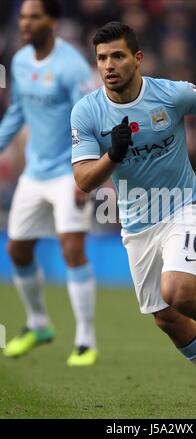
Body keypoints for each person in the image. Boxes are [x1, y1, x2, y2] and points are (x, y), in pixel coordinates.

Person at [71, 22, 196, 406]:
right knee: (165, 317)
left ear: (138, 59)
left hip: (185, 206)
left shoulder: (170, 94)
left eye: (117, 56)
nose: (108, 65)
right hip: (136, 222)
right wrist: (112, 154)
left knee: (178, 291)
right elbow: (83, 180)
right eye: (101, 58)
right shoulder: (87, 111)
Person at [0, 0, 98, 366]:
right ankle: (38, 323)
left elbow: (90, 117)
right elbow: (17, 111)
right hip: (34, 173)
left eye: (34, 16)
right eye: (23, 16)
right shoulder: (20, 60)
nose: (25, 23)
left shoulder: (72, 66)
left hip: (67, 172)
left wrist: (85, 173)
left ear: (52, 21)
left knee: (71, 247)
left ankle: (86, 339)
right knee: (17, 250)